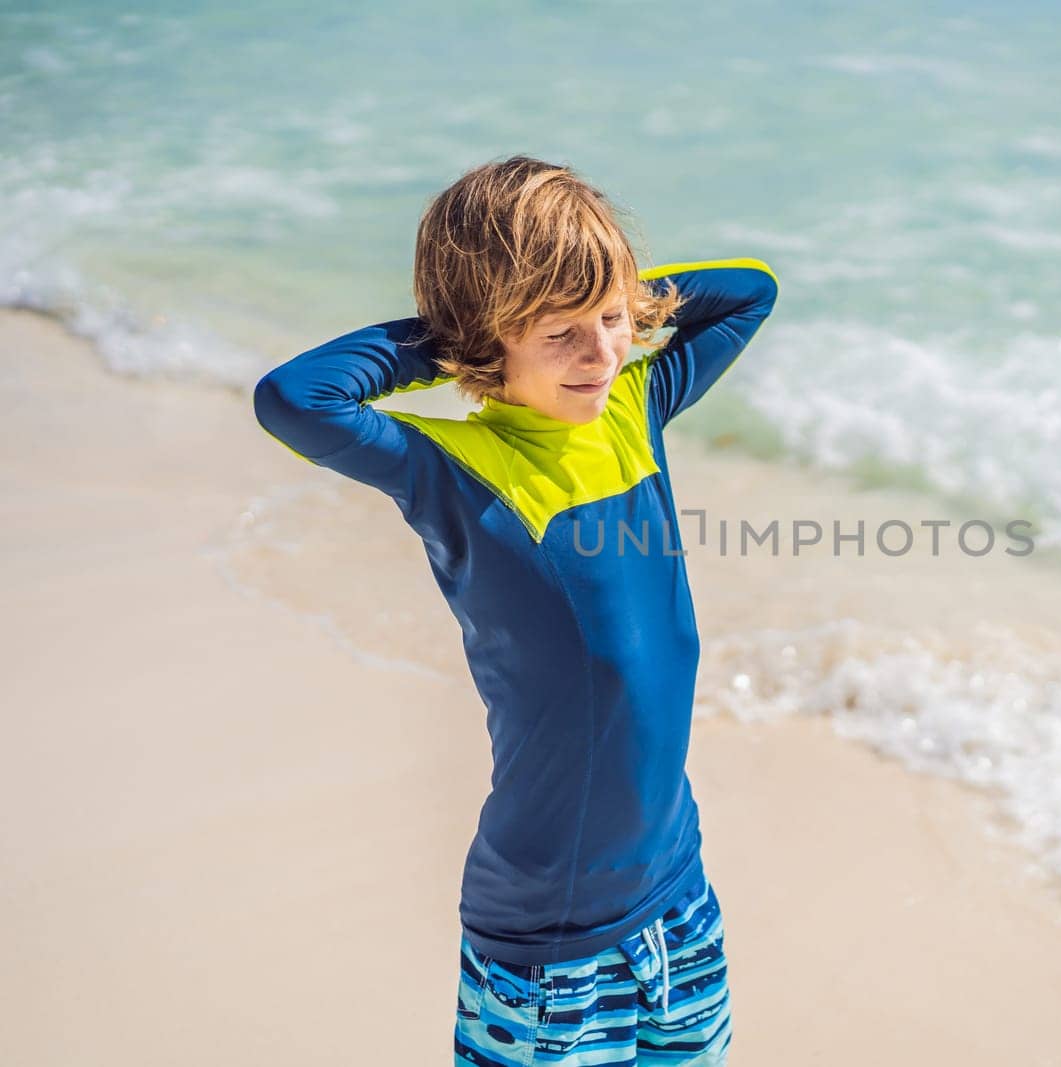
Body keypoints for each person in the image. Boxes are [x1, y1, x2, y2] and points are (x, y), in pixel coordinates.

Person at [252, 155, 779, 1065]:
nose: (603, 354)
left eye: (612, 322)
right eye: (561, 332)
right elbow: (294, 398)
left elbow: (749, 293)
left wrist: (605, 288)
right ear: (490, 341)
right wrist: (455, 334)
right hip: (550, 939)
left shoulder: (631, 410)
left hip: (675, 889)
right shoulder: (452, 471)